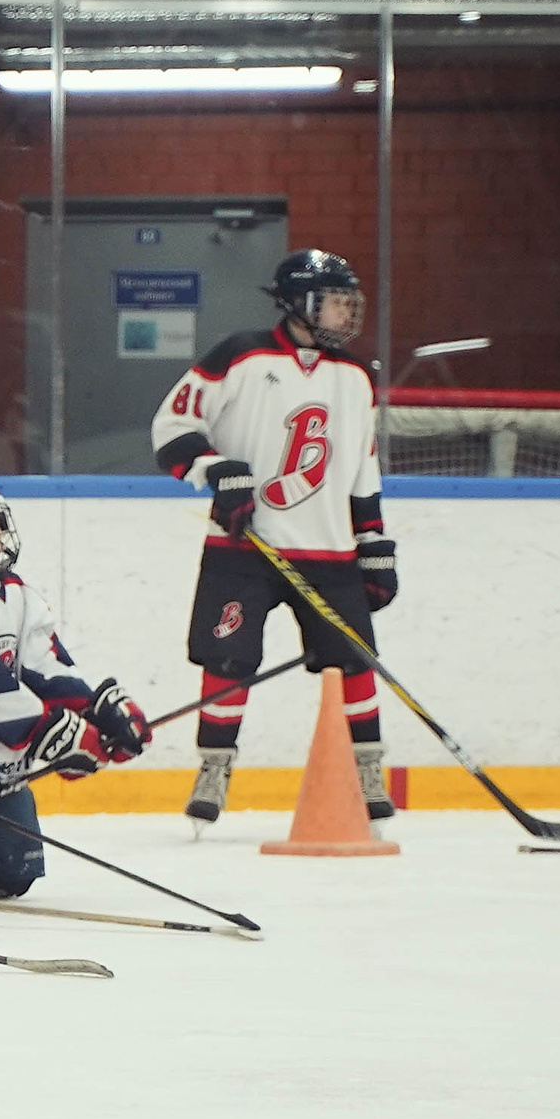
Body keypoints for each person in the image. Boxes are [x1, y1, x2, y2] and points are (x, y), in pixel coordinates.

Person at [148, 248, 396, 826]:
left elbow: (363, 468)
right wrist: (219, 472)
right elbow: (173, 427)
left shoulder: (357, 377)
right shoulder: (240, 355)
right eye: (336, 302)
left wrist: (375, 547)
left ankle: (367, 768)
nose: (346, 314)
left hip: (329, 549)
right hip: (245, 548)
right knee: (228, 658)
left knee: (356, 660)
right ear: (302, 303)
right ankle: (214, 767)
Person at [0, 478, 150, 897]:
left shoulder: (18, 593)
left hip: (0, 744)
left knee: (17, 873)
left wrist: (97, 711)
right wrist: (57, 735)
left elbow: (44, 666)